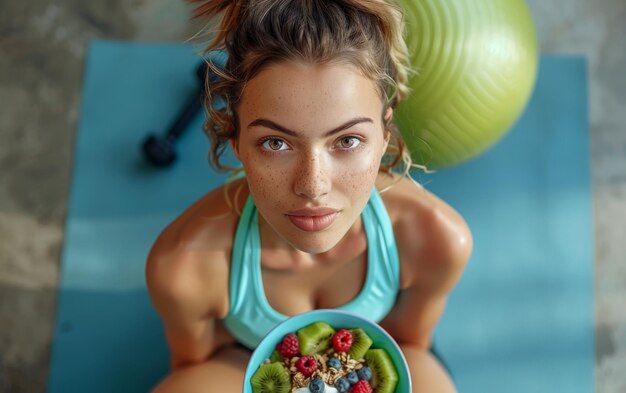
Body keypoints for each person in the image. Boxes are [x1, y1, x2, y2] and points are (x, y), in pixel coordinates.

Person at [146, 0, 472, 391]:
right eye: (275, 143)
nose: (313, 186)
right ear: (237, 144)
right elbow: (193, 368)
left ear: (384, 136)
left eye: (347, 140)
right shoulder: (185, 265)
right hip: (243, 360)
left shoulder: (436, 237)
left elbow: (410, 347)